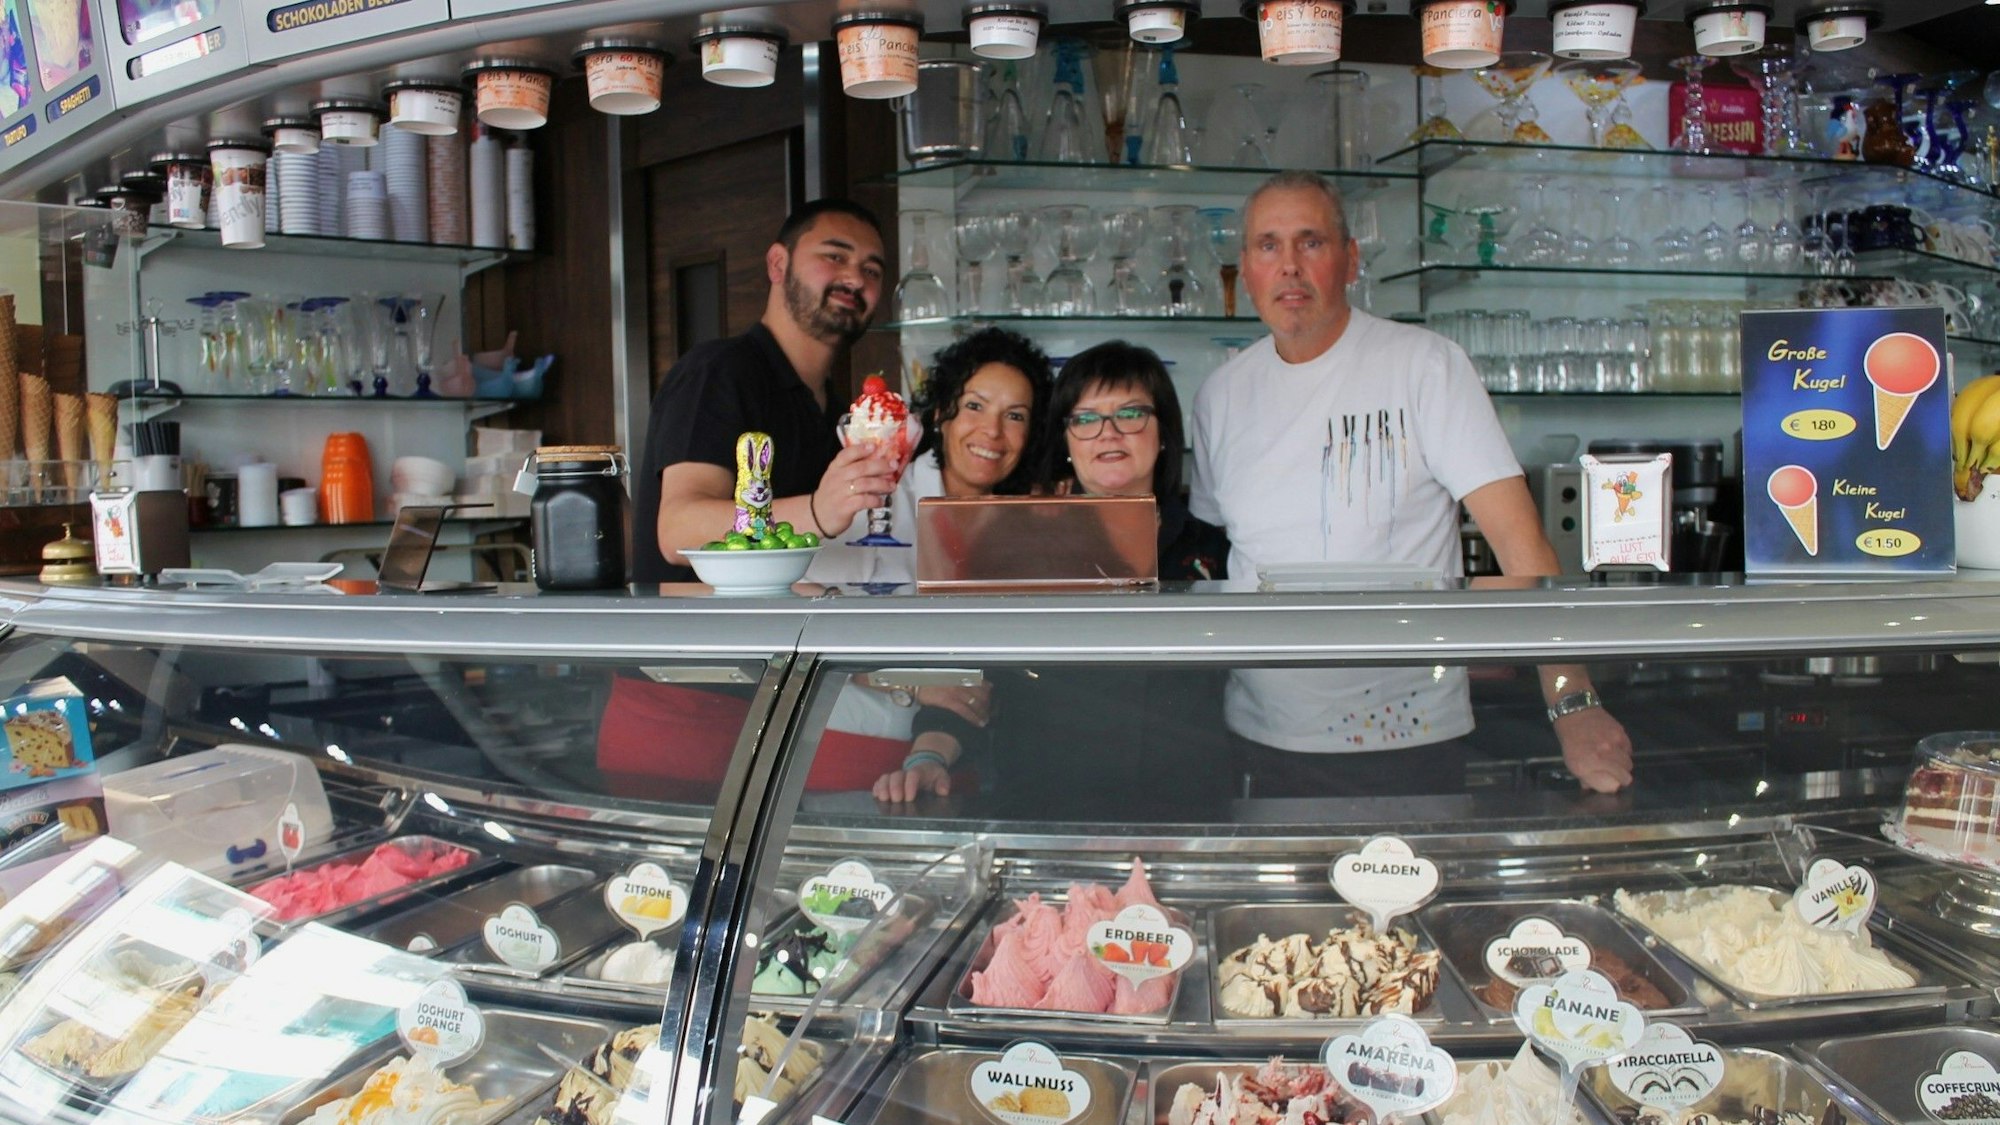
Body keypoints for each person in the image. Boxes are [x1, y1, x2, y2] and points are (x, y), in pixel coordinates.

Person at [1190, 170, 1634, 796]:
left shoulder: (1425, 366)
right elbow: (1220, 553)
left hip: (1408, 734)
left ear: (1350, 260)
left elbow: (1520, 544)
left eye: (1310, 242)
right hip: (1261, 736)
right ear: (1244, 267)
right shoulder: (1220, 397)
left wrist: (1571, 702)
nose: (1289, 266)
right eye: (1269, 245)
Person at [633, 199, 903, 584]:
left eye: (872, 270)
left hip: (787, 638)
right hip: (700, 640)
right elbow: (678, 529)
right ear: (778, 264)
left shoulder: (837, 413)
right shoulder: (719, 371)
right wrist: (816, 510)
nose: (856, 279)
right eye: (835, 256)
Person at [809, 326, 1053, 587]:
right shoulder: (876, 500)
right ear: (940, 414)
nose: (993, 430)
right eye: (974, 406)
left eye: (1015, 415)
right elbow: (806, 590)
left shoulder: (1027, 519)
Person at [1038, 340, 1228, 582]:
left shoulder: (1209, 545)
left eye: (1129, 414)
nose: (1108, 433)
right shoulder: (1032, 542)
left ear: (1163, 434)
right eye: (1086, 419)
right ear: (1065, 442)